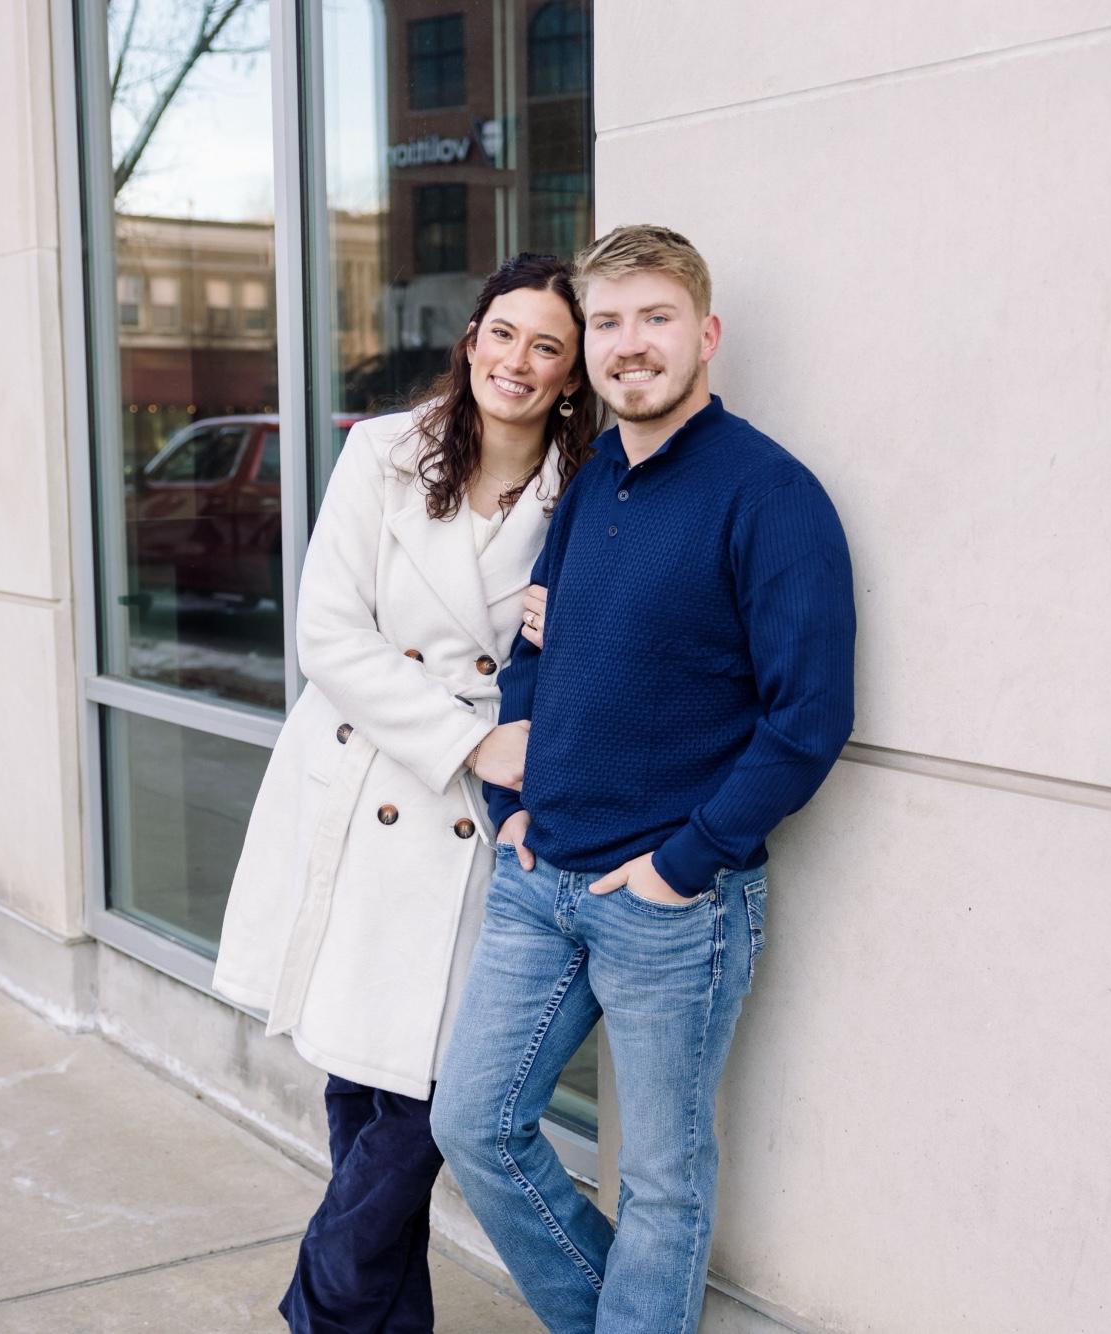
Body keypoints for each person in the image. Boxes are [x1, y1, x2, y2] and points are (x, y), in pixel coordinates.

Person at [430, 225, 857, 1334]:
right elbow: (532, 650)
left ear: (705, 334)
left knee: (662, 1179)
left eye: (654, 318)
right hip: (541, 875)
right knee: (473, 1125)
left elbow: (809, 720)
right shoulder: (594, 483)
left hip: (671, 901)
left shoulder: (770, 494)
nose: (629, 344)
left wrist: (682, 864)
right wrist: (513, 805)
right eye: (608, 323)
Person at [210, 252, 597, 1333]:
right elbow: (328, 633)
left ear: (571, 376)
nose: (517, 360)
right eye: (502, 333)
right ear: (471, 340)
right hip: (374, 772)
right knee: (362, 1074)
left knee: (425, 1093)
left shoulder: (588, 491)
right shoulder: (383, 452)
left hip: (480, 827)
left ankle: (324, 1308)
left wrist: (562, 637)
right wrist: (470, 739)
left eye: (547, 347)